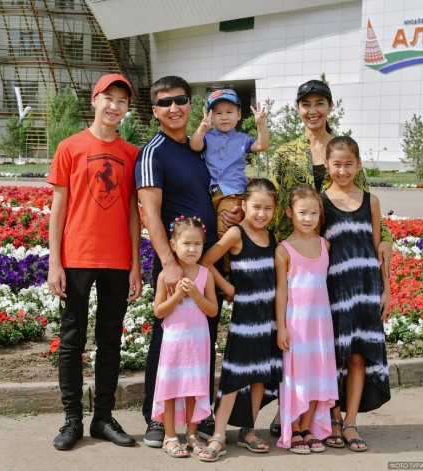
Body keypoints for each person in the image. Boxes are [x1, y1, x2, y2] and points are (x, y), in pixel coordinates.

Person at [268, 78, 393, 438]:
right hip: (301, 263)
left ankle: (334, 419)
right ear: (298, 109)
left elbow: (364, 202)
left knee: (337, 347)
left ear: (330, 107)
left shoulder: (343, 149)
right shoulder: (285, 154)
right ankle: (292, 410)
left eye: (319, 103)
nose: (313, 111)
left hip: (343, 265)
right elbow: (276, 207)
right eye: (306, 104)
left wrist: (385, 239)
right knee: (303, 343)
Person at [135, 75, 239, 447]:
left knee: (203, 337)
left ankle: (199, 415)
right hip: (176, 261)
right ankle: (156, 418)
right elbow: (150, 213)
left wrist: (226, 214)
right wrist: (169, 263)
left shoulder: (199, 147)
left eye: (180, 100)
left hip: (205, 260)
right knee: (167, 337)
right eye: (165, 103)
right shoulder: (154, 152)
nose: (174, 108)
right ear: (155, 111)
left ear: (190, 105)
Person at [47, 73, 143, 451]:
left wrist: (135, 264)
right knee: (72, 340)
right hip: (76, 257)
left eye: (122, 101)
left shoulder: (132, 154)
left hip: (117, 260)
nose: (115, 106)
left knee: (110, 339)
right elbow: (58, 208)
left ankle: (102, 417)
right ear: (95, 100)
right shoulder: (69, 147)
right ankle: (72, 419)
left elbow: (134, 213)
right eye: (109, 98)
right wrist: (55, 262)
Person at [198, 178, 282, 462]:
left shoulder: (272, 238)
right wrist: (227, 287)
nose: (262, 213)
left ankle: (249, 429)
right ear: (244, 205)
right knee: (235, 376)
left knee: (259, 376)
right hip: (244, 320)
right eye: (256, 207)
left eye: (268, 208)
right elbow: (206, 261)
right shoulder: (236, 233)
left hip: (268, 320)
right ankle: (219, 434)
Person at [321, 136, 391, 452]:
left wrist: (386, 289)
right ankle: (333, 420)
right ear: (327, 165)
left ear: (358, 164)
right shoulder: (321, 203)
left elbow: (378, 249)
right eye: (336, 164)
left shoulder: (370, 201)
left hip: (365, 289)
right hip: (333, 290)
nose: (343, 170)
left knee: (359, 355)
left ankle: (350, 422)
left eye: (349, 164)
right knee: (335, 356)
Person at [275, 186, 338, 454]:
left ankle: (307, 425)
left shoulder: (325, 245)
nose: (308, 218)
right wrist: (281, 326)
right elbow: (281, 291)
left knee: (317, 372)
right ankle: (294, 428)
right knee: (296, 374)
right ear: (290, 213)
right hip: (296, 324)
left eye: (314, 213)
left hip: (320, 324)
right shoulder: (284, 250)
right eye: (302, 212)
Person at [151, 216, 218, 458]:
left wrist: (197, 295)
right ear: (173, 244)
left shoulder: (206, 274)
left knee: (193, 388)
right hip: (175, 342)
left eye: (197, 244)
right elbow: (159, 311)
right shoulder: (165, 276)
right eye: (186, 243)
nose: (192, 249)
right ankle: (170, 436)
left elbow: (213, 310)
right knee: (171, 388)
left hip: (198, 343)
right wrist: (178, 295)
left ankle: (192, 434)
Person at [190, 89, 270, 244]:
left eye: (229, 112)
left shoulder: (242, 139)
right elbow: (194, 145)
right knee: (208, 231)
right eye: (218, 113)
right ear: (211, 116)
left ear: (238, 115)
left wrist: (261, 124)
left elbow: (262, 145)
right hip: (210, 194)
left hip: (232, 192)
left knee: (225, 231)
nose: (224, 117)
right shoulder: (207, 136)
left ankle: (225, 260)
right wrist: (202, 128)